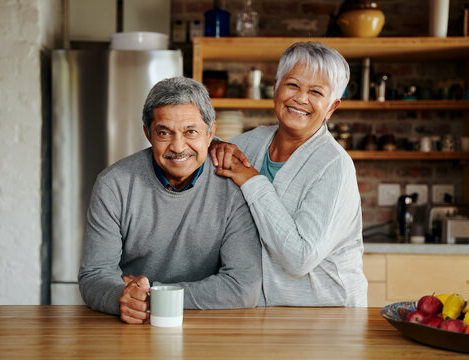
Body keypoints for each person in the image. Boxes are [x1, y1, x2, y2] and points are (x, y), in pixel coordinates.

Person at [79, 77, 262, 324]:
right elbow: (95, 275)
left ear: (211, 133)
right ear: (148, 133)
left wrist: (153, 294)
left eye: (191, 132)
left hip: (208, 326)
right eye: (164, 133)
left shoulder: (233, 186)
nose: (178, 146)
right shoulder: (114, 184)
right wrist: (122, 297)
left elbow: (243, 287)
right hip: (132, 325)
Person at [210, 41, 368, 307]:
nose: (300, 98)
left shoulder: (334, 166)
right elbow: (203, 155)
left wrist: (252, 180)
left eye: (316, 92)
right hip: (263, 314)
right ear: (275, 88)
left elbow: (300, 258)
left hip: (327, 316)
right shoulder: (252, 143)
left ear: (331, 107)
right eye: (292, 85)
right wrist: (213, 144)